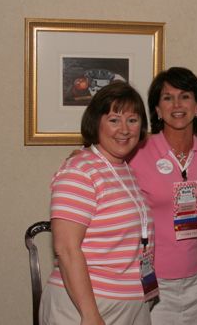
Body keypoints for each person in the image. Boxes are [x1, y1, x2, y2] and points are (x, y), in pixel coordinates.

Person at [40, 82, 156, 325]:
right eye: (114, 120)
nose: (124, 129)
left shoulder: (124, 170)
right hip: (87, 305)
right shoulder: (80, 170)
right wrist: (90, 314)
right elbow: (67, 249)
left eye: (132, 120)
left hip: (130, 302)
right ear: (96, 123)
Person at [129, 67, 197, 324]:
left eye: (185, 96)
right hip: (152, 279)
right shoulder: (138, 150)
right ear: (157, 109)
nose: (177, 104)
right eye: (167, 98)